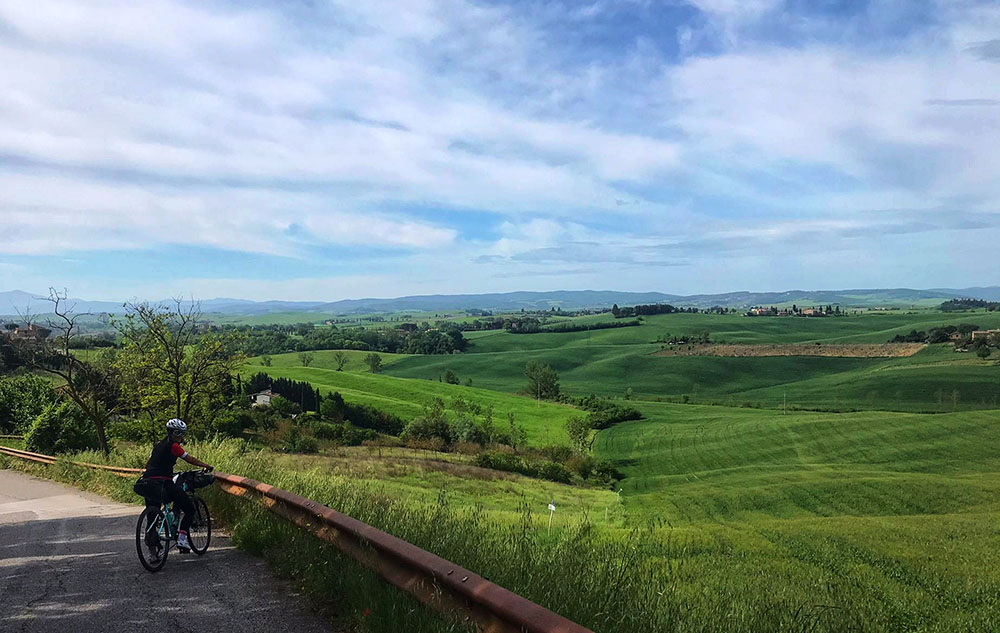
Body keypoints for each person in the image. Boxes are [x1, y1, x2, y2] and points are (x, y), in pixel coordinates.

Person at [142, 418, 213, 553]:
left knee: (152, 514)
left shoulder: (157, 445)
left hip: (148, 482)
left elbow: (148, 464)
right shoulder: (174, 446)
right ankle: (182, 538)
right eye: (180, 434)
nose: (181, 437)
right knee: (190, 509)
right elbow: (189, 459)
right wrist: (206, 465)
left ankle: (152, 550)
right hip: (163, 481)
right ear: (174, 433)